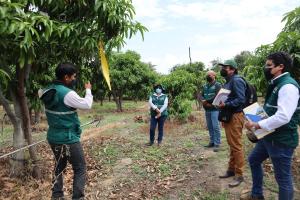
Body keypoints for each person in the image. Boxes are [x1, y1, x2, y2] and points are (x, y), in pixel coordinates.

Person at [244, 52, 300, 200]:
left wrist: (256, 123)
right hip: (269, 136)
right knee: (253, 160)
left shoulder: (288, 87)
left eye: (269, 65)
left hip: (281, 140)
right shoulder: (276, 84)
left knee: (283, 179)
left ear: (280, 67)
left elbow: (283, 116)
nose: (265, 68)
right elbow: (271, 109)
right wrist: (254, 118)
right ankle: (257, 195)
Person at [40, 63, 93, 200]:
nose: (75, 79)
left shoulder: (49, 90)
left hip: (53, 137)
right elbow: (87, 105)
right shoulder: (68, 94)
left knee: (59, 166)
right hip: (68, 138)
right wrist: (88, 90)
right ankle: (78, 197)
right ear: (66, 77)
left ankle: (57, 196)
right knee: (80, 168)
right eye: (73, 76)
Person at [217, 59, 247, 187]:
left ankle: (239, 175)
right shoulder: (228, 82)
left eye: (226, 67)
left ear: (233, 69)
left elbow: (241, 99)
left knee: (236, 145)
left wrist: (226, 104)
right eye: (223, 67)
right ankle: (231, 170)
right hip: (229, 116)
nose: (223, 69)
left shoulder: (237, 80)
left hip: (236, 116)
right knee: (232, 144)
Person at [201, 70, 222, 152]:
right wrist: (203, 101)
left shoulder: (218, 85)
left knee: (215, 126)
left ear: (214, 75)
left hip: (215, 109)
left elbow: (218, 96)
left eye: (209, 75)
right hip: (207, 109)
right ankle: (212, 142)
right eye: (207, 75)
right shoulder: (205, 85)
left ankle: (217, 143)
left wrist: (207, 101)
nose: (208, 76)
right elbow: (201, 95)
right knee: (210, 127)